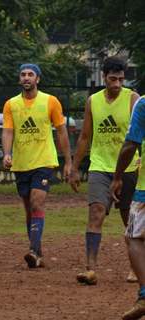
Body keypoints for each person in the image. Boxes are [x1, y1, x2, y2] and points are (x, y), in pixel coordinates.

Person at [69, 56, 140, 285]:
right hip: (100, 166)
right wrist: (74, 166)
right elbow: (85, 136)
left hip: (130, 167)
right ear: (104, 77)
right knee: (96, 212)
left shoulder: (133, 99)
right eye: (113, 79)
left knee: (129, 219)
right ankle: (90, 268)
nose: (117, 83)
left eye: (121, 79)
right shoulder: (93, 101)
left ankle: (135, 268)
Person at [2, 63, 71, 268]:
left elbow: (61, 131)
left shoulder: (51, 101)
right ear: (19, 79)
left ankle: (32, 250)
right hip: (21, 163)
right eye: (23, 74)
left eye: (30, 74)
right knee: (28, 209)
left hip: (44, 161)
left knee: (36, 203)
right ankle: (37, 253)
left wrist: (68, 161)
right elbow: (7, 131)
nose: (26, 78)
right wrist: (6, 154)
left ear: (38, 79)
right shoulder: (11, 104)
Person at [110, 96, 145, 320]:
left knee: (134, 237)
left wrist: (117, 177)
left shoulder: (143, 104)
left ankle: (144, 295)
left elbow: (130, 144)